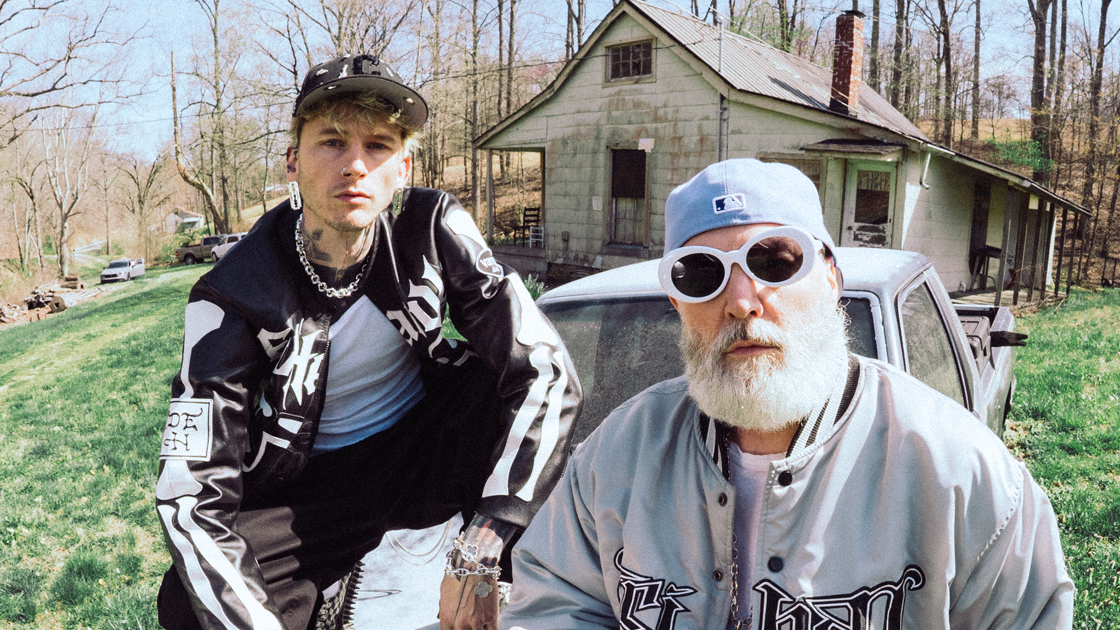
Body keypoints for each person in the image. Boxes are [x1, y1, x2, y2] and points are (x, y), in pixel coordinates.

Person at [499, 158, 1073, 630]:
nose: (743, 300)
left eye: (774, 261)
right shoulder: (612, 461)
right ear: (677, 303)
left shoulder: (959, 472)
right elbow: (552, 603)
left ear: (830, 279)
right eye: (702, 274)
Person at [156, 54, 581, 630]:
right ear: (293, 162)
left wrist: (487, 538)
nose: (355, 165)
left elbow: (548, 372)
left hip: (428, 447)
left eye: (378, 145)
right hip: (311, 484)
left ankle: (531, 588)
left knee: (506, 394)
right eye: (331, 142)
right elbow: (190, 497)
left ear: (403, 167)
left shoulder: (431, 227)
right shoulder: (232, 292)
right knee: (186, 604)